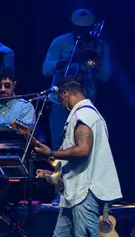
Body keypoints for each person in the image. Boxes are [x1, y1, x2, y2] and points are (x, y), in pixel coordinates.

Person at [30, 77, 122, 237]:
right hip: (73, 194)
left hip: (85, 193)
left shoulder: (85, 114)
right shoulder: (81, 115)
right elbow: (77, 166)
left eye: (61, 99)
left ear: (64, 94)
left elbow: (82, 150)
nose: (61, 104)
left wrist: (50, 152)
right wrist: (52, 176)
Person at [42, 9, 111, 145]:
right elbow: (46, 69)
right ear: (73, 27)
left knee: (85, 145)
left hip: (86, 102)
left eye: (86, 29)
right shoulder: (60, 42)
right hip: (59, 102)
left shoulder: (100, 45)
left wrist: (99, 59)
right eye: (80, 29)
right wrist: (71, 59)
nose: (83, 33)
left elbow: (105, 76)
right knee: (59, 146)